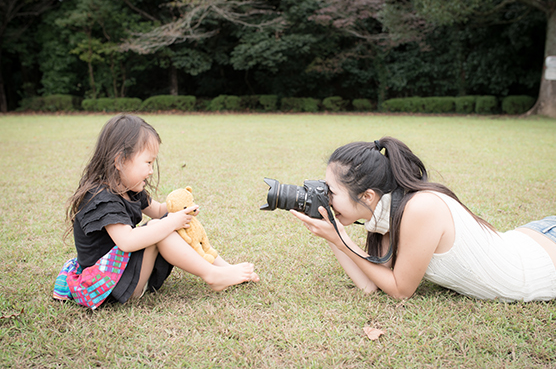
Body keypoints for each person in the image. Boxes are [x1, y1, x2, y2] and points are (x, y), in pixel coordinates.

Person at [292, 137, 556, 302]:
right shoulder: (388, 216)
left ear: (368, 195)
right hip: (531, 237)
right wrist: (332, 235)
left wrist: (341, 240)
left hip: (545, 259)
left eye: (331, 192)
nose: (323, 196)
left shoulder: (419, 209)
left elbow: (400, 291)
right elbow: (371, 285)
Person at [53, 114, 259, 309]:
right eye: (148, 162)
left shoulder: (129, 189)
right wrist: (170, 222)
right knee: (161, 227)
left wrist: (180, 208)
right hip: (108, 284)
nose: (151, 170)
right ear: (120, 161)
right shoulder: (100, 198)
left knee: (170, 220)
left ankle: (223, 268)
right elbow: (127, 241)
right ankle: (213, 276)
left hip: (128, 273)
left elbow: (160, 210)